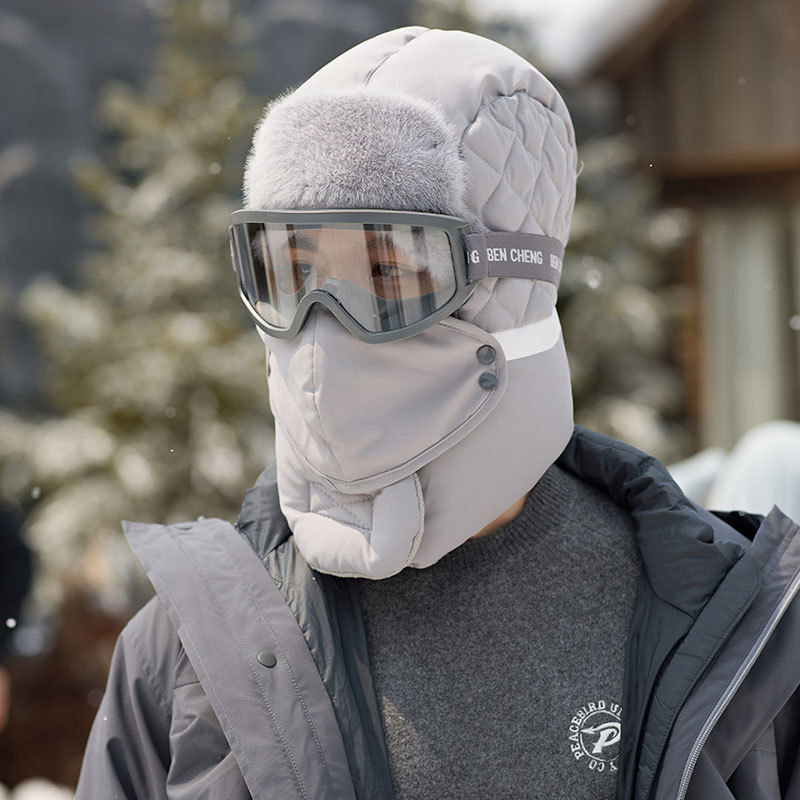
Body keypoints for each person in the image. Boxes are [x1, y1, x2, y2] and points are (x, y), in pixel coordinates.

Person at [76, 27, 800, 800]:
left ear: (509, 287)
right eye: (295, 271)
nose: (323, 332)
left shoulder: (743, 639)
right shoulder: (187, 653)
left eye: (387, 271)